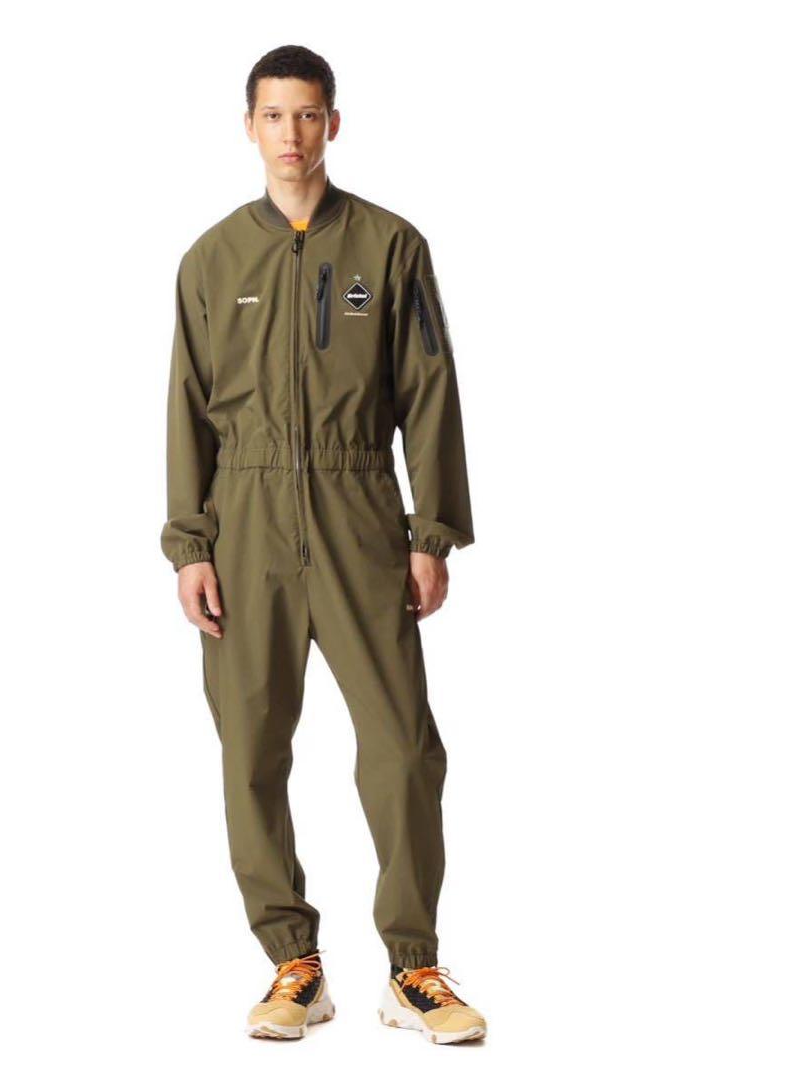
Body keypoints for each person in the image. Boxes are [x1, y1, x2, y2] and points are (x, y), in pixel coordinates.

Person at [160, 44, 485, 1044]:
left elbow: (430, 390)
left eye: (308, 115)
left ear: (332, 124)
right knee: (251, 749)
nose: (292, 134)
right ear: (249, 127)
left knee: (402, 747)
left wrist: (431, 531)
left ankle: (414, 967)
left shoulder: (391, 246)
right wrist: (191, 544)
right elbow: (187, 410)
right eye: (274, 116)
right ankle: (292, 964)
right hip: (246, 523)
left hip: (358, 514)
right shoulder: (212, 259)